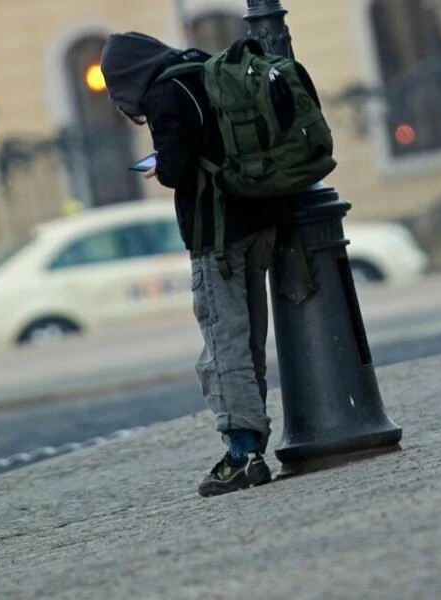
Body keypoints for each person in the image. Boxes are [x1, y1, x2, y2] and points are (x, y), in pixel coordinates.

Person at [101, 32, 284, 497]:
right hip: (258, 220)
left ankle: (242, 454)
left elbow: (179, 169)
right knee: (248, 340)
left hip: (216, 233)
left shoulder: (165, 94)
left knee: (224, 347)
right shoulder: (206, 67)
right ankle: (252, 446)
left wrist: (159, 166)